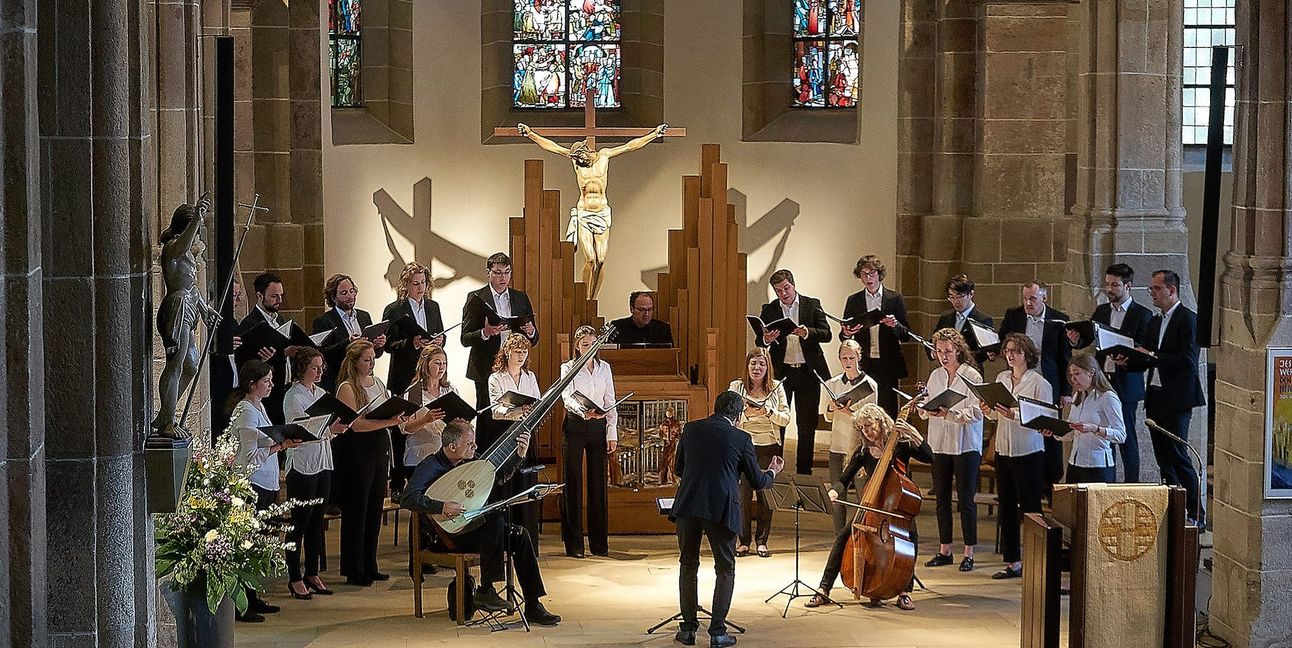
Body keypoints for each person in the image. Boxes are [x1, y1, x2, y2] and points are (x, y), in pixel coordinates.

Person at [400, 420, 562, 626]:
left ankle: (533, 605)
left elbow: (497, 478)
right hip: (446, 536)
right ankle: (486, 589)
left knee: (519, 535)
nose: (474, 447)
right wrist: (440, 506)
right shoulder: (430, 466)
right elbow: (408, 498)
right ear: (452, 446)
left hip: (477, 532)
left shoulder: (470, 462)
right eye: (469, 444)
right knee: (494, 520)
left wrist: (519, 456)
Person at [669, 391, 785, 648]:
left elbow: (679, 469)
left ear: (715, 408)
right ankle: (717, 632)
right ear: (738, 415)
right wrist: (773, 472)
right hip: (721, 508)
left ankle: (688, 630)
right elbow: (757, 481)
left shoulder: (691, 429)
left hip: (688, 505)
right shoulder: (741, 438)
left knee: (688, 564)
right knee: (725, 568)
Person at [515, 122, 669, 297]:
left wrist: (654, 134)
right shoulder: (576, 162)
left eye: (582, 159)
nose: (580, 163)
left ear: (588, 152)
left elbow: (630, 146)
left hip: (602, 213)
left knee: (601, 260)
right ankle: (585, 298)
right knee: (590, 259)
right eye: (578, 160)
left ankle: (592, 297)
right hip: (584, 214)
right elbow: (553, 147)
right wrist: (530, 134)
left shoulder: (604, 155)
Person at [806, 404, 931, 611]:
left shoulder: (901, 445)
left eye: (869, 426)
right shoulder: (863, 452)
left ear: (880, 422)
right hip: (871, 505)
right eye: (862, 428)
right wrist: (834, 491)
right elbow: (844, 479)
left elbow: (929, 457)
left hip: (896, 507)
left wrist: (915, 434)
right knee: (842, 537)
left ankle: (904, 591)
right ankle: (824, 588)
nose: (866, 431)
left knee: (910, 539)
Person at [1066, 263, 1154, 482]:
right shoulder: (1102, 310)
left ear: (1128, 286)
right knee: (1102, 435)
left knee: (1126, 438)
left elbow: (1144, 351)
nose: (1110, 289)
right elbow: (1089, 339)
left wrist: (1127, 359)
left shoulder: (1142, 314)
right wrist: (1076, 340)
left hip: (1126, 383)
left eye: (1115, 285)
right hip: (1101, 381)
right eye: (1107, 284)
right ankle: (1108, 481)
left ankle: (1131, 485)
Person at [228, 360, 301, 622]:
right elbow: (248, 456)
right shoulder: (246, 411)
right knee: (248, 544)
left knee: (259, 545)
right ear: (252, 384)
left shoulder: (259, 406)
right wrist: (279, 447)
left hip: (267, 483)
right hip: (252, 484)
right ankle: (241, 605)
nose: (271, 385)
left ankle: (253, 596)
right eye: (267, 381)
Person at [333, 339, 408, 586]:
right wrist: (389, 423)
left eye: (373, 359)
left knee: (375, 507)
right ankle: (354, 568)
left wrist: (395, 415)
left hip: (379, 446)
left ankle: (370, 563)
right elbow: (356, 424)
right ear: (354, 362)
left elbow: (384, 409)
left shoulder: (378, 383)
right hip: (357, 450)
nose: (371, 363)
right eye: (366, 360)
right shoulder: (347, 387)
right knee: (358, 508)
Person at [979, 333, 1050, 580]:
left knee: (1030, 507)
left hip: (1028, 451)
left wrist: (1014, 415)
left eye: (1016, 351)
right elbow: (994, 416)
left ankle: (1038, 560)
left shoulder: (1039, 383)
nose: (1010, 355)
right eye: (1007, 350)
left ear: (1027, 355)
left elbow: (1043, 419)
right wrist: (987, 410)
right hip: (1004, 450)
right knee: (1006, 507)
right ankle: (1013, 562)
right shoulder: (1001, 379)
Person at [1136, 269, 1205, 520]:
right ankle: (1173, 509)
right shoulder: (1155, 321)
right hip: (1155, 396)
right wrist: (1129, 359)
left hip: (1177, 398)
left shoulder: (1188, 320)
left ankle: (1196, 511)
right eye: (1151, 289)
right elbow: (1148, 357)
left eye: (1156, 288)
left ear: (1172, 290)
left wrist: (1153, 356)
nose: (1152, 293)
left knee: (1178, 455)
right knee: (1163, 458)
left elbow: (1188, 362)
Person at [281, 347, 349, 600]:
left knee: (316, 521)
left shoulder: (321, 393)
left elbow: (325, 429)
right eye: (314, 367)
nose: (320, 372)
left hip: (323, 462)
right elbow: (300, 430)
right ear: (302, 369)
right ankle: (294, 576)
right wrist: (328, 428)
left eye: (322, 367)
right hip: (302, 464)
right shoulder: (293, 396)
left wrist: (335, 429)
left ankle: (311, 571)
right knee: (300, 521)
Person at [918, 328, 984, 572]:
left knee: (966, 500)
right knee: (941, 499)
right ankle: (945, 549)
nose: (943, 356)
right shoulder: (935, 376)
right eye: (938, 351)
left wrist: (951, 414)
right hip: (939, 444)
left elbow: (977, 412)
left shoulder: (972, 376)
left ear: (958, 350)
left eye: (947, 351)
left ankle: (969, 552)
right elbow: (928, 407)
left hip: (965, 445)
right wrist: (923, 408)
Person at [756, 268, 832, 474]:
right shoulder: (770, 309)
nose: (784, 293)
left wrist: (807, 332)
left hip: (807, 372)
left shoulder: (812, 304)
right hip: (782, 374)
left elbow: (827, 334)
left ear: (793, 285)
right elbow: (759, 339)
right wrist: (766, 339)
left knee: (806, 425)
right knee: (778, 422)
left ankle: (804, 472)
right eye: (778, 290)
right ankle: (775, 471)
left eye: (786, 288)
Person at [997, 281, 1071, 489]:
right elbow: (1002, 342)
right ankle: (1026, 483)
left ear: (1044, 299)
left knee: (1048, 432)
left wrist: (1066, 391)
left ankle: (1050, 486)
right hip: (1020, 381)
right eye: (1025, 298)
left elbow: (1065, 358)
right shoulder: (1014, 315)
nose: (1027, 303)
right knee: (1024, 429)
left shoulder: (1059, 320)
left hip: (1047, 383)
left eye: (1032, 299)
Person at [463, 253, 539, 450]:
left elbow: (534, 338)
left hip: (514, 368)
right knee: (488, 418)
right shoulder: (476, 297)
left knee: (516, 414)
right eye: (497, 273)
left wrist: (531, 332)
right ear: (488, 273)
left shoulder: (520, 298)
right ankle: (485, 465)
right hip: (485, 368)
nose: (503, 278)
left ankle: (515, 458)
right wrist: (485, 332)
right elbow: (464, 338)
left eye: (507, 273)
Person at [382, 262, 446, 497]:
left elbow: (440, 334)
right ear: (405, 285)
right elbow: (388, 344)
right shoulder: (395, 309)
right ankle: (398, 482)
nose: (420, 287)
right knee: (401, 427)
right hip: (404, 375)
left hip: (428, 374)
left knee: (429, 422)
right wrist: (412, 343)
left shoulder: (433, 306)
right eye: (415, 283)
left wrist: (439, 341)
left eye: (423, 283)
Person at [559, 325, 618, 558]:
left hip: (598, 427)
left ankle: (599, 545)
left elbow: (610, 399)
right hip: (575, 425)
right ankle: (574, 546)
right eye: (585, 344)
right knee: (573, 483)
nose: (589, 348)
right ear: (576, 346)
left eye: (593, 344)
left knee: (598, 486)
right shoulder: (568, 367)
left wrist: (611, 433)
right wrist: (584, 412)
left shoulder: (605, 368)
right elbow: (566, 397)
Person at [727, 347, 790, 558]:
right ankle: (743, 541)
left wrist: (767, 412)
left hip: (769, 446)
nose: (757, 367)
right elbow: (729, 416)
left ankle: (762, 541)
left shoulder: (777, 388)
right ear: (747, 366)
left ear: (767, 367)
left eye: (761, 364)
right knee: (742, 495)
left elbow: (786, 418)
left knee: (765, 496)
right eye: (753, 363)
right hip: (743, 447)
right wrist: (746, 412)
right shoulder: (736, 387)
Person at [488, 333, 543, 542]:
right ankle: (505, 539)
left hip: (526, 432)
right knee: (507, 485)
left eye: (524, 351)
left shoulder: (530, 377)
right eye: (517, 351)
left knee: (526, 484)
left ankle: (528, 540)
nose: (521, 356)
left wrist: (529, 411)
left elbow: (538, 404)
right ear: (507, 353)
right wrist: (519, 410)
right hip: (504, 435)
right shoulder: (496, 378)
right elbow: (495, 410)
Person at [840, 255, 909, 418]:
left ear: (879, 274)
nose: (868, 278)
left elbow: (906, 334)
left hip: (887, 363)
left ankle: (890, 444)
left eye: (872, 273)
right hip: (864, 362)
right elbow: (843, 334)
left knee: (888, 408)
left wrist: (895, 325)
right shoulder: (854, 300)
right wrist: (846, 333)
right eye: (864, 274)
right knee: (865, 407)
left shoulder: (894, 299)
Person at [822, 340, 879, 533]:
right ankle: (840, 535)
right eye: (844, 358)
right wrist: (831, 407)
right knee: (837, 494)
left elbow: (872, 419)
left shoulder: (870, 384)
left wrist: (849, 411)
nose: (848, 361)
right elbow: (827, 417)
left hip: (859, 447)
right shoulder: (832, 383)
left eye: (851, 358)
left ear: (859, 358)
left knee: (863, 494)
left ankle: (863, 533)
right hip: (837, 445)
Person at [1055, 353, 1126, 484]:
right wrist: (1055, 431)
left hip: (1098, 466)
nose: (1073, 379)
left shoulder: (1107, 397)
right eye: (1071, 375)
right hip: (1075, 463)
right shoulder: (1078, 396)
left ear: (1091, 372)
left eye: (1077, 373)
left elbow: (1121, 435)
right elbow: (1070, 433)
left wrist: (1095, 429)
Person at [313, 273, 386, 391]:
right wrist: (348, 343)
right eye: (344, 293)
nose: (350, 296)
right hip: (339, 380)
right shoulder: (324, 321)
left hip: (364, 380)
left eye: (352, 291)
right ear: (333, 297)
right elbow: (322, 354)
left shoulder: (364, 316)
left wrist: (378, 345)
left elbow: (375, 354)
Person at [237, 272, 290, 423]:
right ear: (260, 296)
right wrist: (263, 359)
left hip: (283, 386)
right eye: (274, 296)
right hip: (267, 392)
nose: (279, 300)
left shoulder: (280, 319)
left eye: (281, 295)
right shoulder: (249, 324)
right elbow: (244, 361)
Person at [935, 274, 994, 367]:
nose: (956, 301)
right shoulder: (945, 317)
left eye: (960, 296)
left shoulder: (982, 320)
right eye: (952, 297)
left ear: (971, 294)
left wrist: (958, 356)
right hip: (947, 369)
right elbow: (934, 340)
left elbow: (985, 352)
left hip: (971, 370)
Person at [609, 291, 673, 346]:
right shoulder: (617, 327)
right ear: (632, 309)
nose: (646, 314)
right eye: (642, 310)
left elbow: (670, 355)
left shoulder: (663, 329)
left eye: (650, 309)